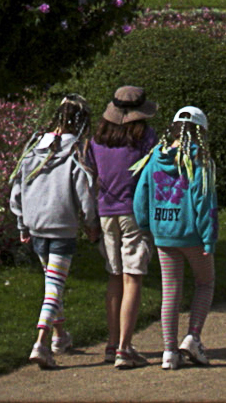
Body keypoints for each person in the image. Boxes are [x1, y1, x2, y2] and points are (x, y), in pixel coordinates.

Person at [8, 93, 96, 369]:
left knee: (51, 283)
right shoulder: (75, 152)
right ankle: (41, 342)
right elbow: (85, 193)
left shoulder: (34, 148)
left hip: (36, 226)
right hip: (61, 228)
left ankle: (59, 336)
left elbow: (17, 190)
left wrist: (22, 223)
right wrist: (91, 223)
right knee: (54, 287)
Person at [132, 104, 220, 371]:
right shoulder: (199, 160)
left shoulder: (154, 157)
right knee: (205, 283)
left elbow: (140, 194)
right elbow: (204, 200)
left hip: (163, 234)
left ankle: (169, 351)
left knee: (170, 291)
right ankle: (193, 337)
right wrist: (209, 238)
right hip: (191, 234)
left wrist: (145, 224)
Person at [91, 85, 158, 369]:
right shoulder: (145, 137)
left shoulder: (97, 139)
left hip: (106, 212)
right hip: (134, 211)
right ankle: (124, 348)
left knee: (114, 276)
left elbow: (92, 174)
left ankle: (112, 343)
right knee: (133, 278)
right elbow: (153, 173)